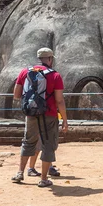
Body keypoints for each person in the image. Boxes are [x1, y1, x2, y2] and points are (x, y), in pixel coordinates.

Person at [11, 48, 68, 187]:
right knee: (48, 145)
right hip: (49, 114)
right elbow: (59, 100)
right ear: (50, 59)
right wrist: (65, 119)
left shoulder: (25, 72)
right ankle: (43, 179)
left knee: (28, 141)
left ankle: (20, 172)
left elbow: (16, 95)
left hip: (31, 113)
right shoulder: (55, 75)